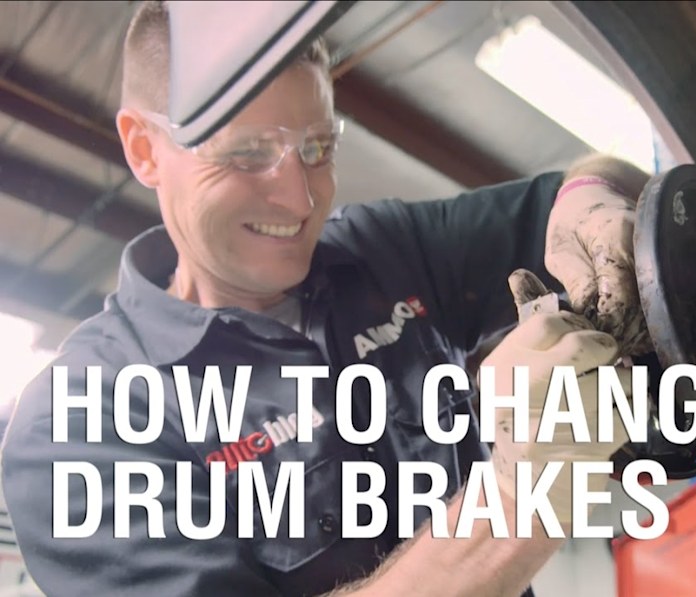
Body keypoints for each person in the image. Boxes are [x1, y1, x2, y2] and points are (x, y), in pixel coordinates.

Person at [1, 2, 651, 596]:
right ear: (145, 149)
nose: (302, 199)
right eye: (248, 154)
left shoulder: (385, 251)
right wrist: (518, 496)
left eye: (317, 148)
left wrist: (593, 199)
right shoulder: (78, 427)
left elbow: (599, 181)